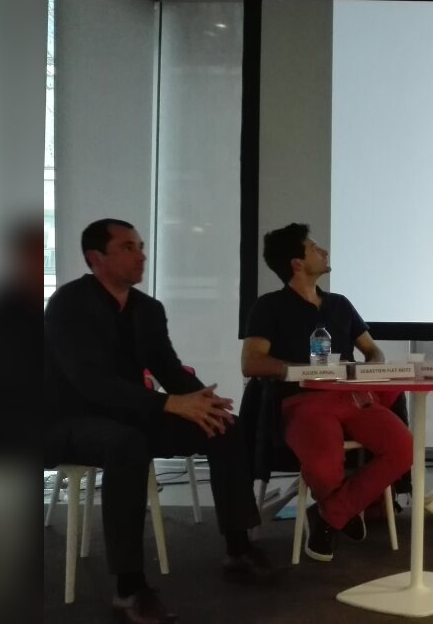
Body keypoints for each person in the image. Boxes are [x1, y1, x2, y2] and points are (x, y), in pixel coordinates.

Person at [44, 219, 275, 624]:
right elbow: (89, 381)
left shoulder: (147, 309)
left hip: (131, 415)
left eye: (141, 246)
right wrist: (170, 404)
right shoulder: (69, 304)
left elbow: (168, 368)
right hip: (70, 419)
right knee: (126, 444)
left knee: (224, 426)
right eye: (128, 247)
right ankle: (129, 588)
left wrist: (204, 401)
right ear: (95, 258)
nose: (142, 255)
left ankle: (239, 549)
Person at [241, 223, 412, 562]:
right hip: (304, 402)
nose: (324, 252)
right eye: (315, 248)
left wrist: (369, 368)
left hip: (353, 398)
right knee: (323, 470)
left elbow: (372, 351)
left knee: (403, 447)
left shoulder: (340, 305)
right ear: (297, 263)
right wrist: (302, 370)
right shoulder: (269, 306)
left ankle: (330, 514)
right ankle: (342, 511)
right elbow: (252, 362)